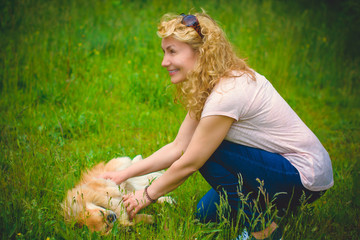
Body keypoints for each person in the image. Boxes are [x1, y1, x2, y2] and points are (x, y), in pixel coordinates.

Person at [100, 11, 333, 239]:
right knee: (206, 214)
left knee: (207, 152)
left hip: (303, 176)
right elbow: (178, 146)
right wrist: (123, 174)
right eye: (164, 52)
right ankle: (276, 208)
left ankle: (263, 231)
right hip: (275, 167)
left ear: (200, 53)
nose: (164, 62)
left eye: (172, 52)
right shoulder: (208, 85)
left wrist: (147, 195)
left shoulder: (226, 93)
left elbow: (190, 160)